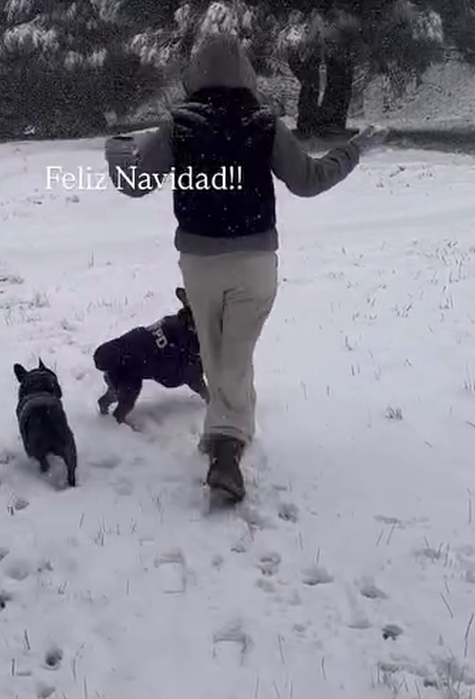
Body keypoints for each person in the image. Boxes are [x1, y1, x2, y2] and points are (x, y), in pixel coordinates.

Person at [104, 31, 387, 504]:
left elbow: (135, 183)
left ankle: (226, 441)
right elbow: (309, 180)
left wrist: (116, 151)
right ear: (247, 75)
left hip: (199, 261)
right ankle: (227, 448)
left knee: (220, 357)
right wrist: (353, 149)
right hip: (255, 261)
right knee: (232, 356)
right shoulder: (265, 124)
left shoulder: (179, 125)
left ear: (195, 73)